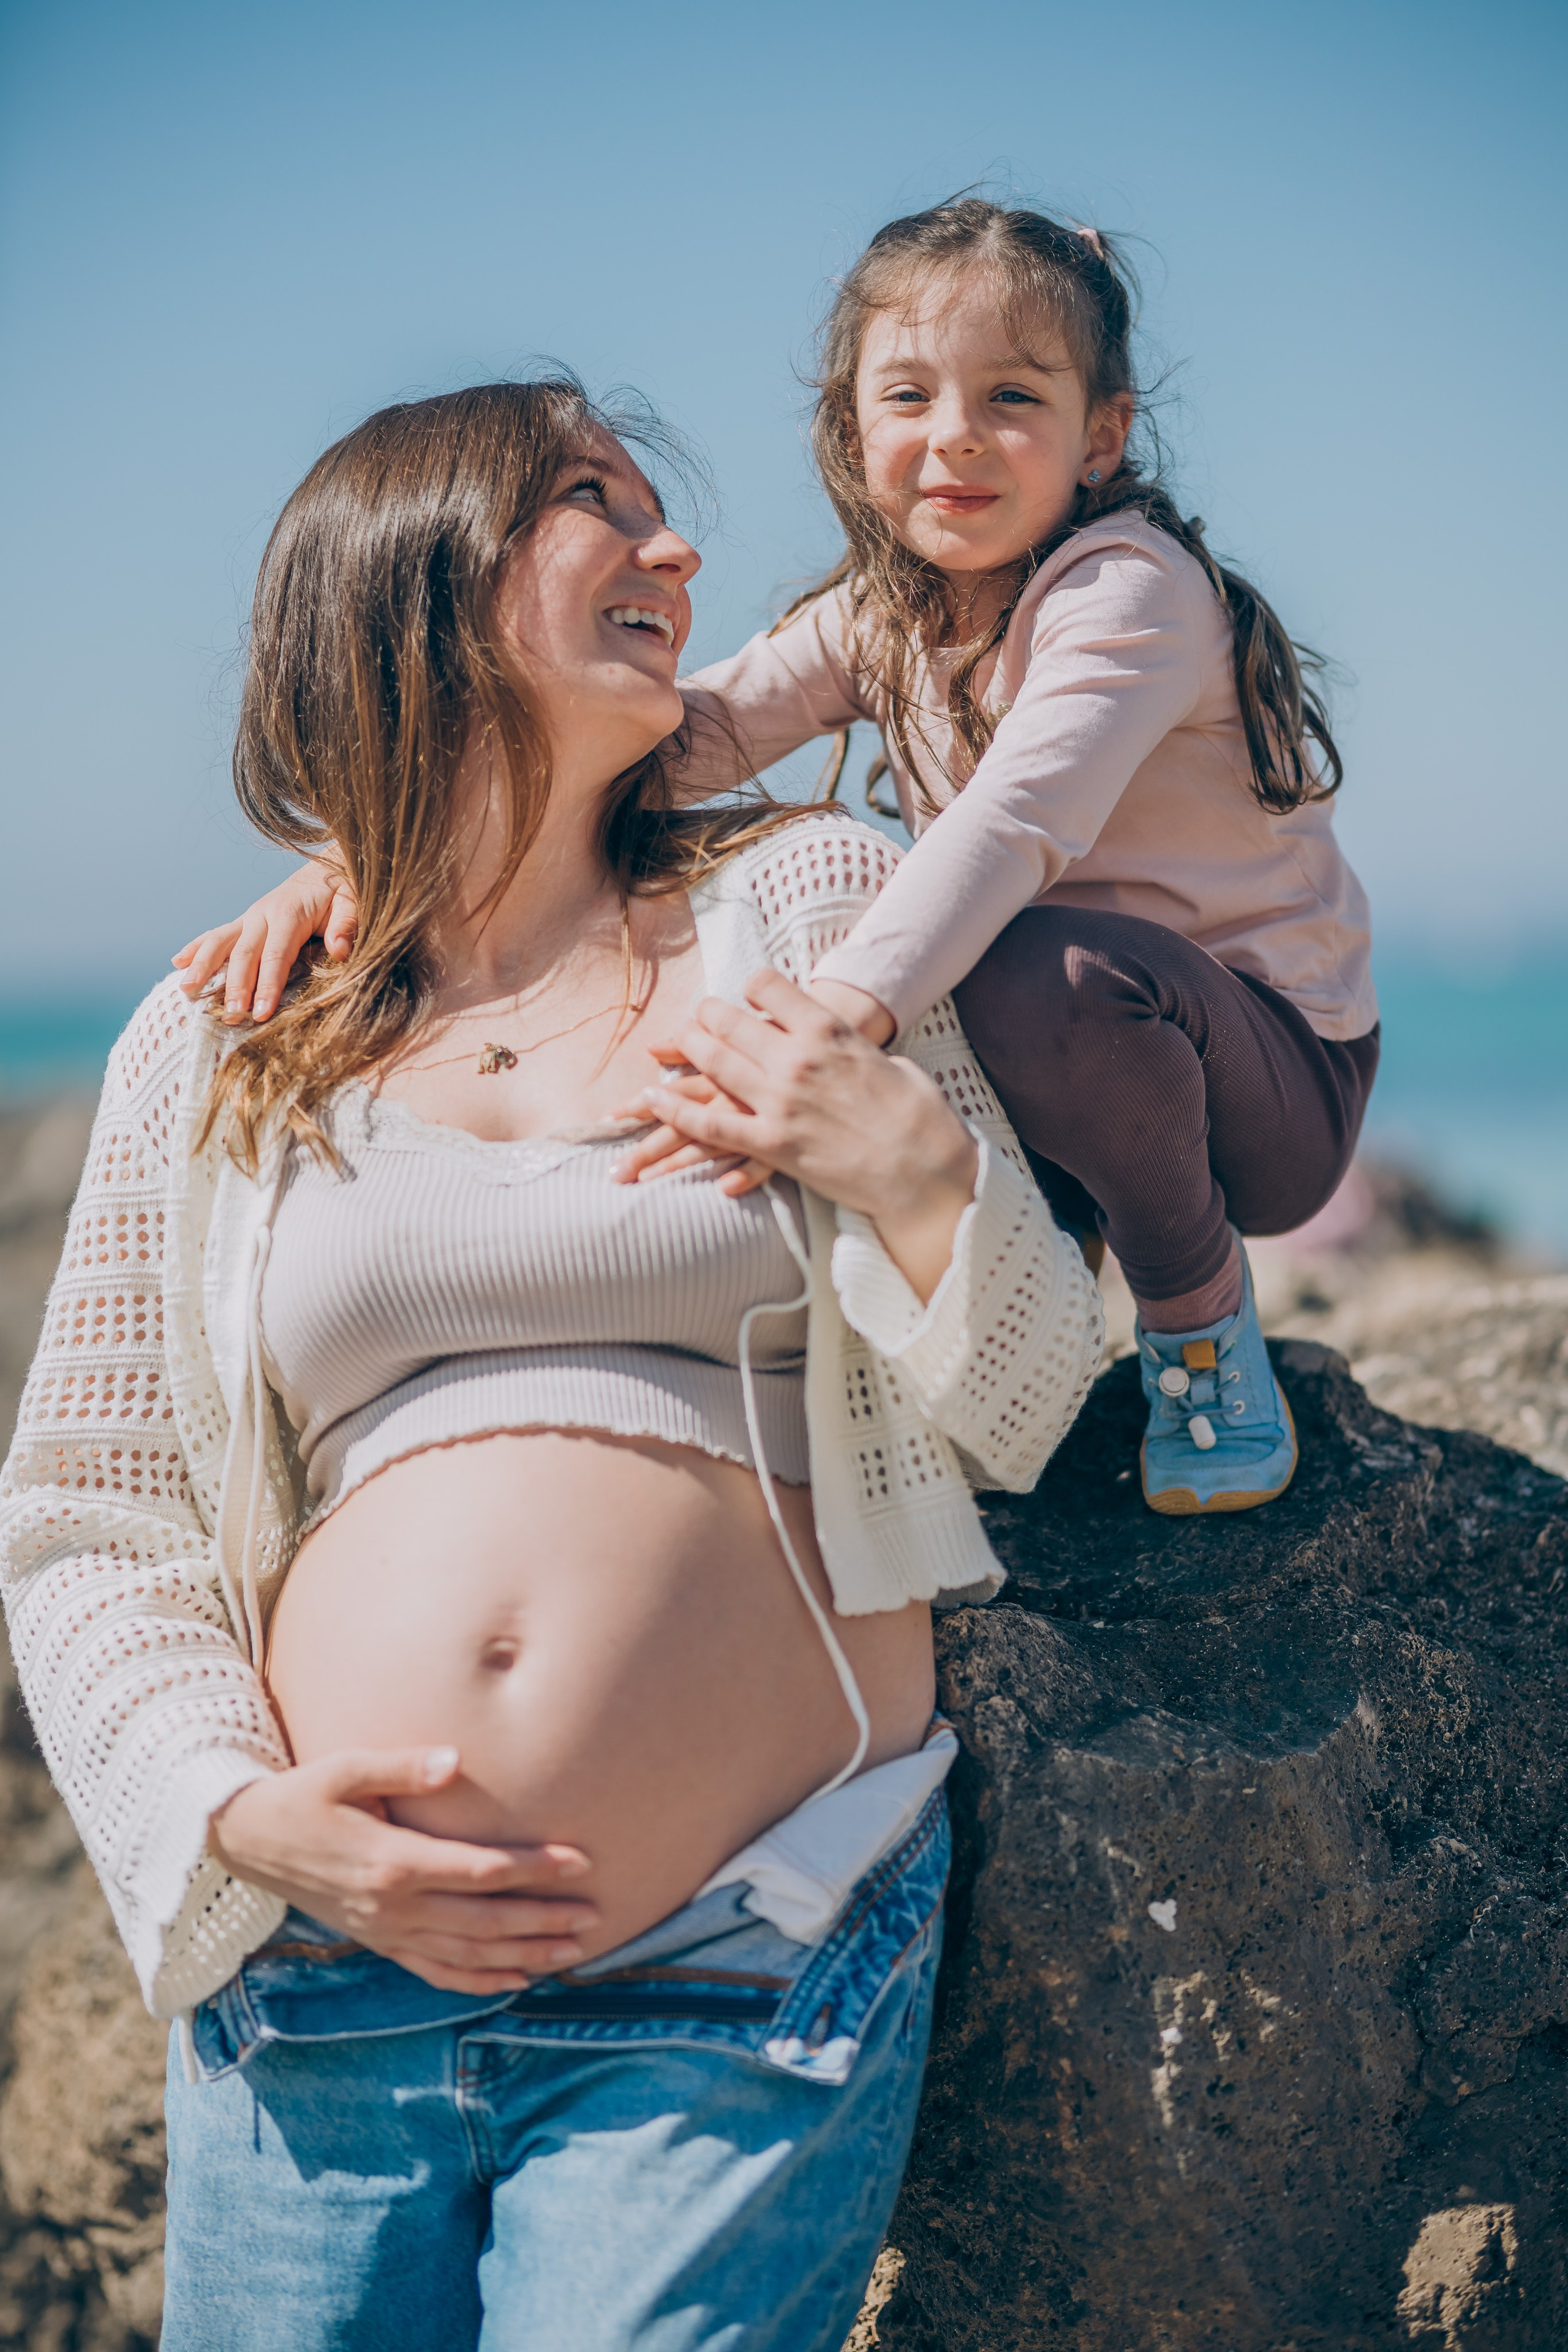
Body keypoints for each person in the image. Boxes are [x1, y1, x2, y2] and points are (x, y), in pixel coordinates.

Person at [0, 379, 1102, 2352]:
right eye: (599, 504)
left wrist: (923, 1179)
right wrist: (241, 1821)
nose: (680, 554)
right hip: (321, 1977)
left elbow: (1023, 1413)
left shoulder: (810, 911)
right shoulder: (230, 1028)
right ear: (415, 578)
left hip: (746, 1951)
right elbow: (92, 1512)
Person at [199, 200, 1376, 1518]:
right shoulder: (882, 618)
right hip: (1076, 1056)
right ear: (851, 425)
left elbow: (1014, 823)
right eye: (909, 396)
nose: (954, 438)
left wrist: (838, 1010)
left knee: (1017, 969)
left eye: (1011, 397)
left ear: (1099, 437)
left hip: (1265, 1075)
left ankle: (1196, 1319)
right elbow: (675, 739)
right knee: (965, 984)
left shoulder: (1125, 589)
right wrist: (378, 858)